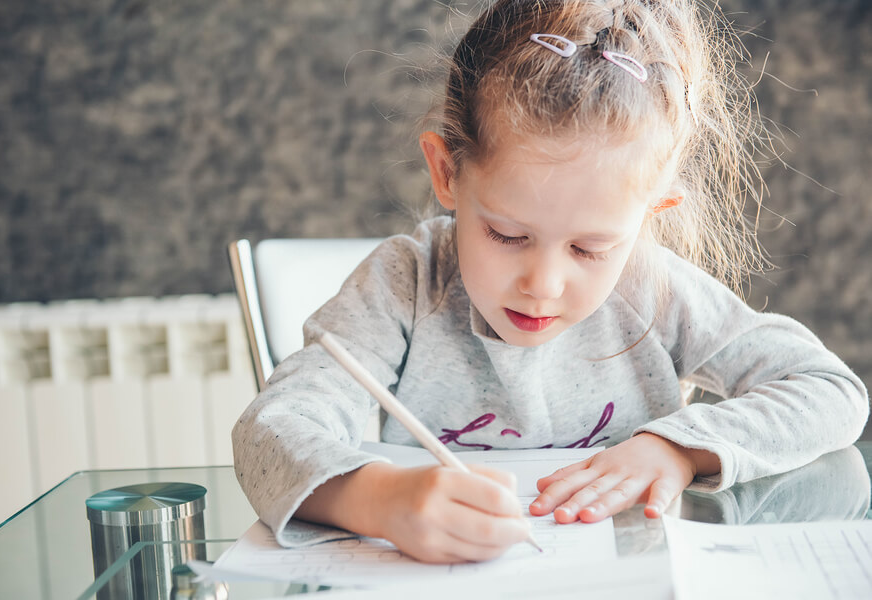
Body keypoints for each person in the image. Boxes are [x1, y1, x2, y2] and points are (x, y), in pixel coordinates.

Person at [232, 0, 868, 564]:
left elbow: (832, 391)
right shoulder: (405, 283)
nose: (543, 284)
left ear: (649, 217)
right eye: (508, 236)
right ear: (447, 172)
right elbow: (273, 429)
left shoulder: (655, 291)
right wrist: (378, 500)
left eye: (591, 248)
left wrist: (678, 448)